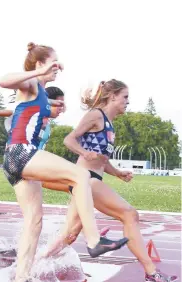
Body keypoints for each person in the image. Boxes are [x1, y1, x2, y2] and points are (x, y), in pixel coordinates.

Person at [0, 42, 128, 281]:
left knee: (34, 222)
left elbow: (31, 111)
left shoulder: (41, 93)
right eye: (52, 62)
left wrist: (63, 104)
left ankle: (22, 276)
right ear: (38, 64)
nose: (57, 66)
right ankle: (94, 239)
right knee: (81, 176)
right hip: (22, 153)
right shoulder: (31, 83)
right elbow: (3, 80)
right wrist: (38, 72)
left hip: (17, 163)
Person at [39, 80, 177, 282]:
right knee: (129, 214)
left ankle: (30, 264)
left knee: (69, 235)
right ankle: (151, 272)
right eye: (125, 97)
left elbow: (102, 160)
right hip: (85, 179)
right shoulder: (96, 115)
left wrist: (118, 173)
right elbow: (69, 139)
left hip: (89, 180)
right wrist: (84, 153)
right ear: (112, 96)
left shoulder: (110, 125)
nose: (128, 102)